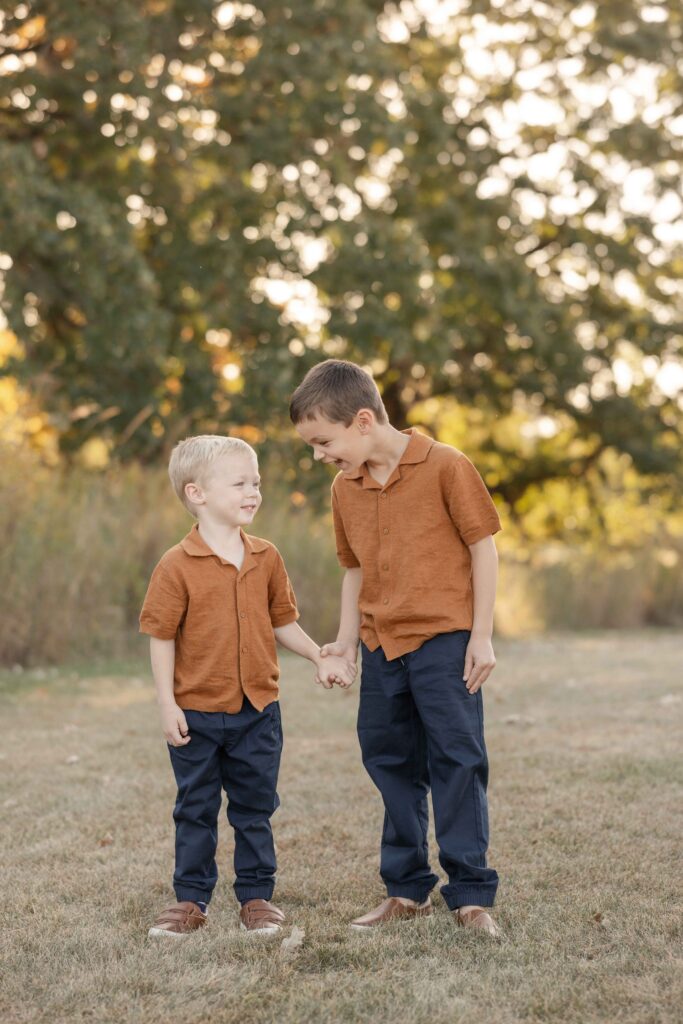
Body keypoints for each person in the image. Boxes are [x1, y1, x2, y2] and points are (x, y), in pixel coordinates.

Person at [291, 360, 502, 938]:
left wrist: (481, 635)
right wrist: (344, 643)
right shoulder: (345, 488)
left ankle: (470, 895)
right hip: (381, 645)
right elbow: (354, 570)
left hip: (444, 640)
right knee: (390, 763)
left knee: (457, 759)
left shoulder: (446, 465)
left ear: (363, 421)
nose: (320, 456)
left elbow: (483, 548)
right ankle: (406, 890)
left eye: (323, 442)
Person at [139, 434, 355, 938]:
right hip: (196, 713)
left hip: (258, 711)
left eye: (255, 482)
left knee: (255, 809)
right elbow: (160, 637)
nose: (253, 492)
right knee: (195, 809)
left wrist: (319, 655)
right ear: (197, 493)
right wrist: (167, 704)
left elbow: (282, 622)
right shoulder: (175, 564)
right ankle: (191, 900)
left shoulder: (266, 557)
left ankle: (257, 898)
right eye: (239, 483)